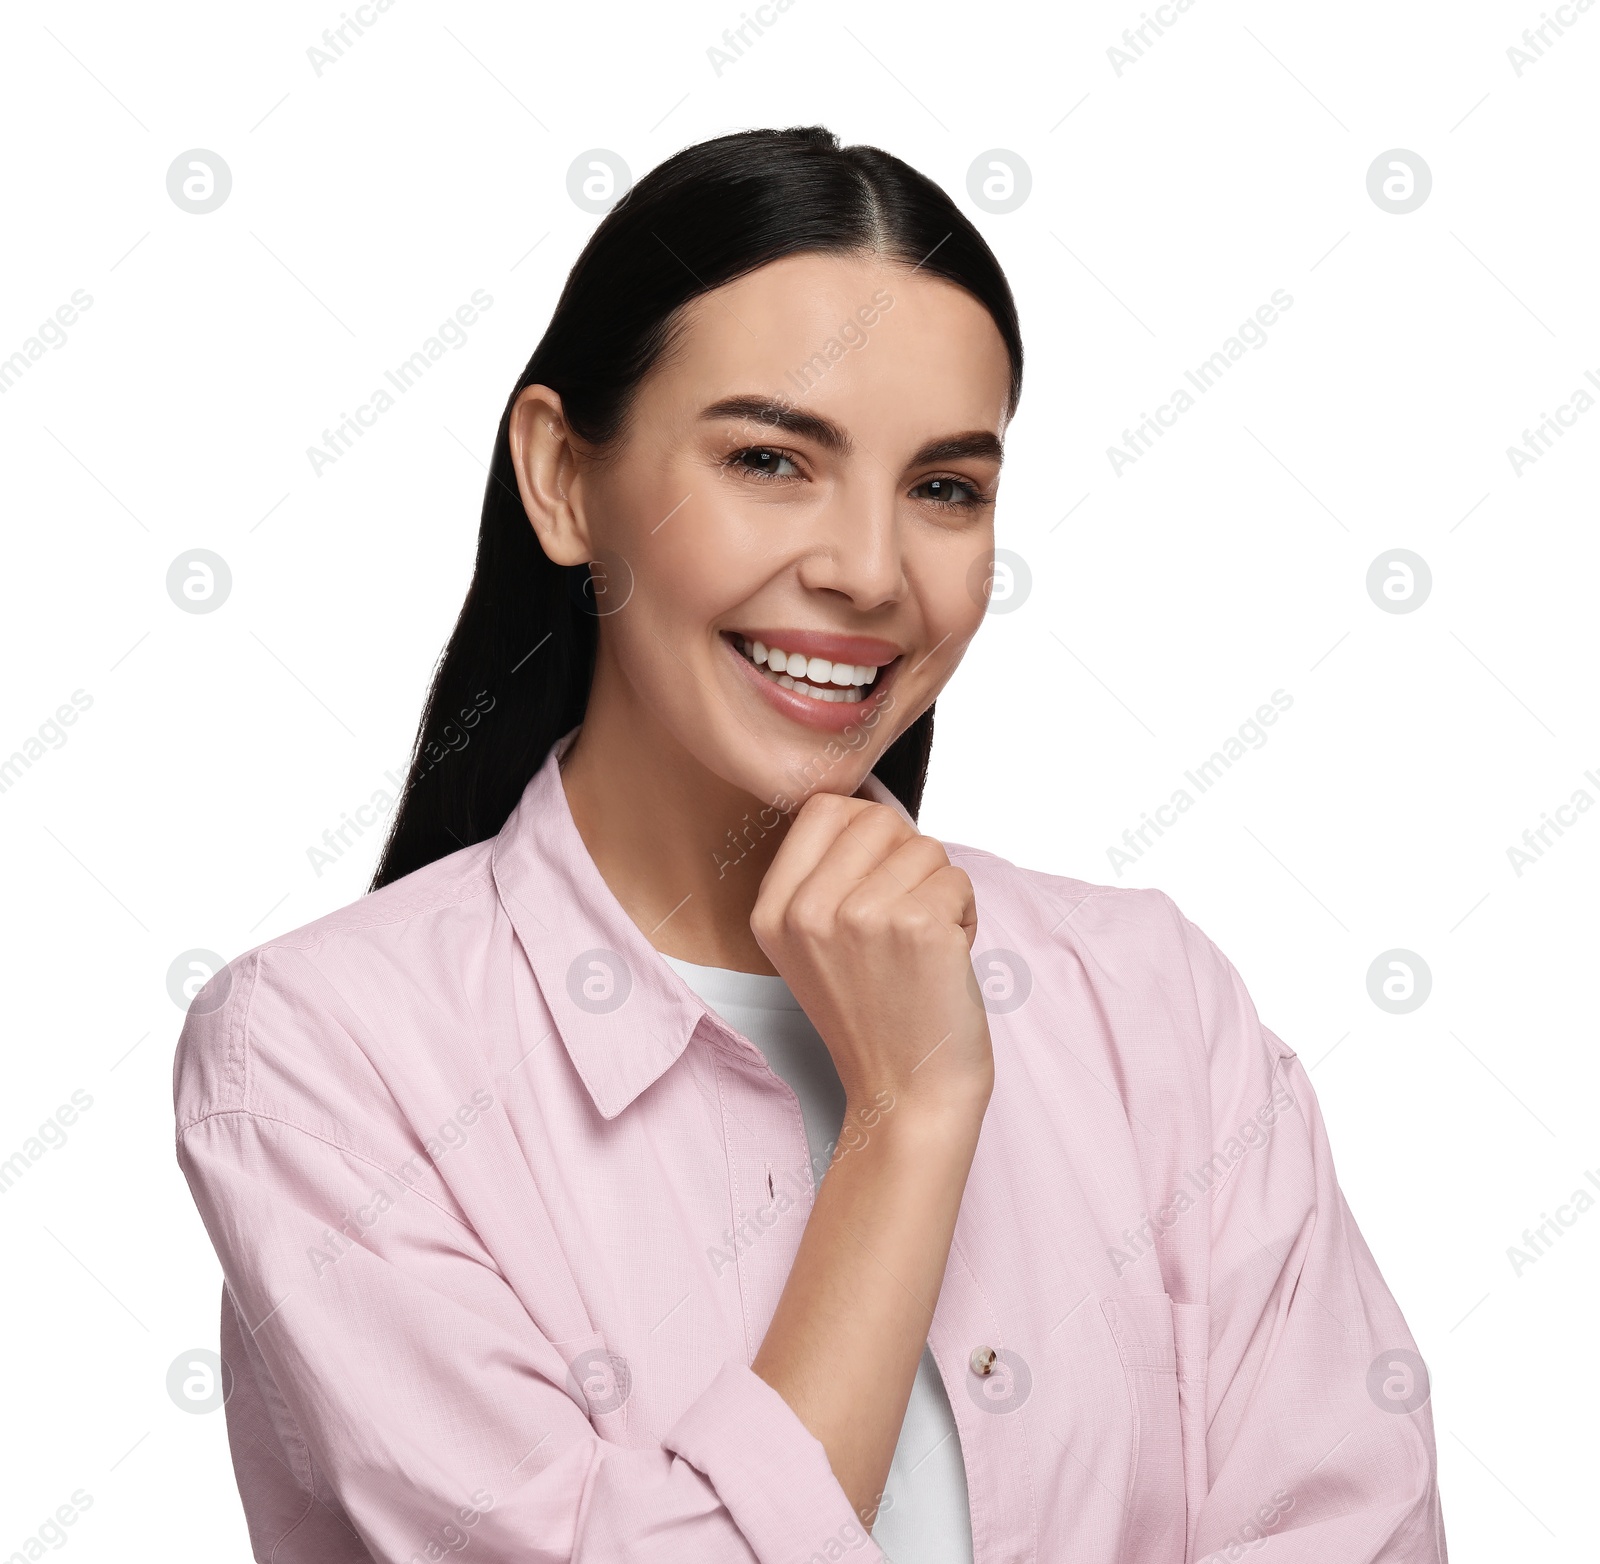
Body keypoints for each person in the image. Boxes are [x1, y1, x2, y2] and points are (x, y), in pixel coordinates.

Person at [174, 125, 1446, 1563]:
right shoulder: (321, 1061)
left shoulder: (1154, 1006)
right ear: (560, 477)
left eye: (946, 488)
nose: (865, 569)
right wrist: (908, 1122)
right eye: (772, 459)